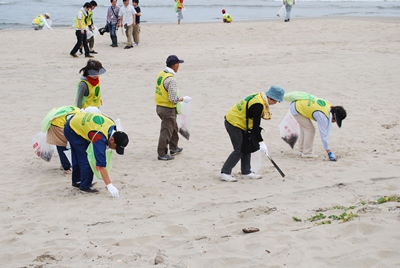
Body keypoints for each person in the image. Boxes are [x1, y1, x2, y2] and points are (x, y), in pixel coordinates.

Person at [220, 86, 285, 182]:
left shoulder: (261, 97)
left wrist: (259, 141)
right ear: (271, 97)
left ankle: (246, 172)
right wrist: (261, 143)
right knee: (239, 149)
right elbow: (255, 127)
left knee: (246, 146)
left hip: (243, 123)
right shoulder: (258, 105)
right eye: (276, 101)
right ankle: (225, 172)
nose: (275, 103)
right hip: (234, 123)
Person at [64, 112, 129, 197]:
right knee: (86, 158)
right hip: (72, 130)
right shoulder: (99, 138)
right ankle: (85, 186)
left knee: (78, 154)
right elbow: (101, 164)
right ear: (112, 139)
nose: (113, 149)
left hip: (76, 121)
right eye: (115, 147)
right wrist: (109, 185)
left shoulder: (112, 125)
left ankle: (77, 180)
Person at [284, 91, 347, 161]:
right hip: (297, 109)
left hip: (298, 105)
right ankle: (307, 152)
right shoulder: (323, 116)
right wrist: (329, 152)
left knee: (305, 128)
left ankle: (301, 150)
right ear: (333, 116)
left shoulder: (328, 106)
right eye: (335, 120)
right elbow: (324, 135)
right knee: (310, 130)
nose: (334, 122)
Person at [155, 55, 192, 161]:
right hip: (167, 108)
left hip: (159, 106)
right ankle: (162, 153)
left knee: (173, 127)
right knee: (166, 130)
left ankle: (174, 147)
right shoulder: (171, 80)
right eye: (178, 64)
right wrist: (183, 99)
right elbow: (173, 98)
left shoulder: (161, 74)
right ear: (175, 65)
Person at [42, 106, 81, 174]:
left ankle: (64, 163)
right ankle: (66, 167)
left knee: (62, 143)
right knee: (63, 143)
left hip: (54, 120)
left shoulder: (77, 110)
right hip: (57, 124)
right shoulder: (79, 116)